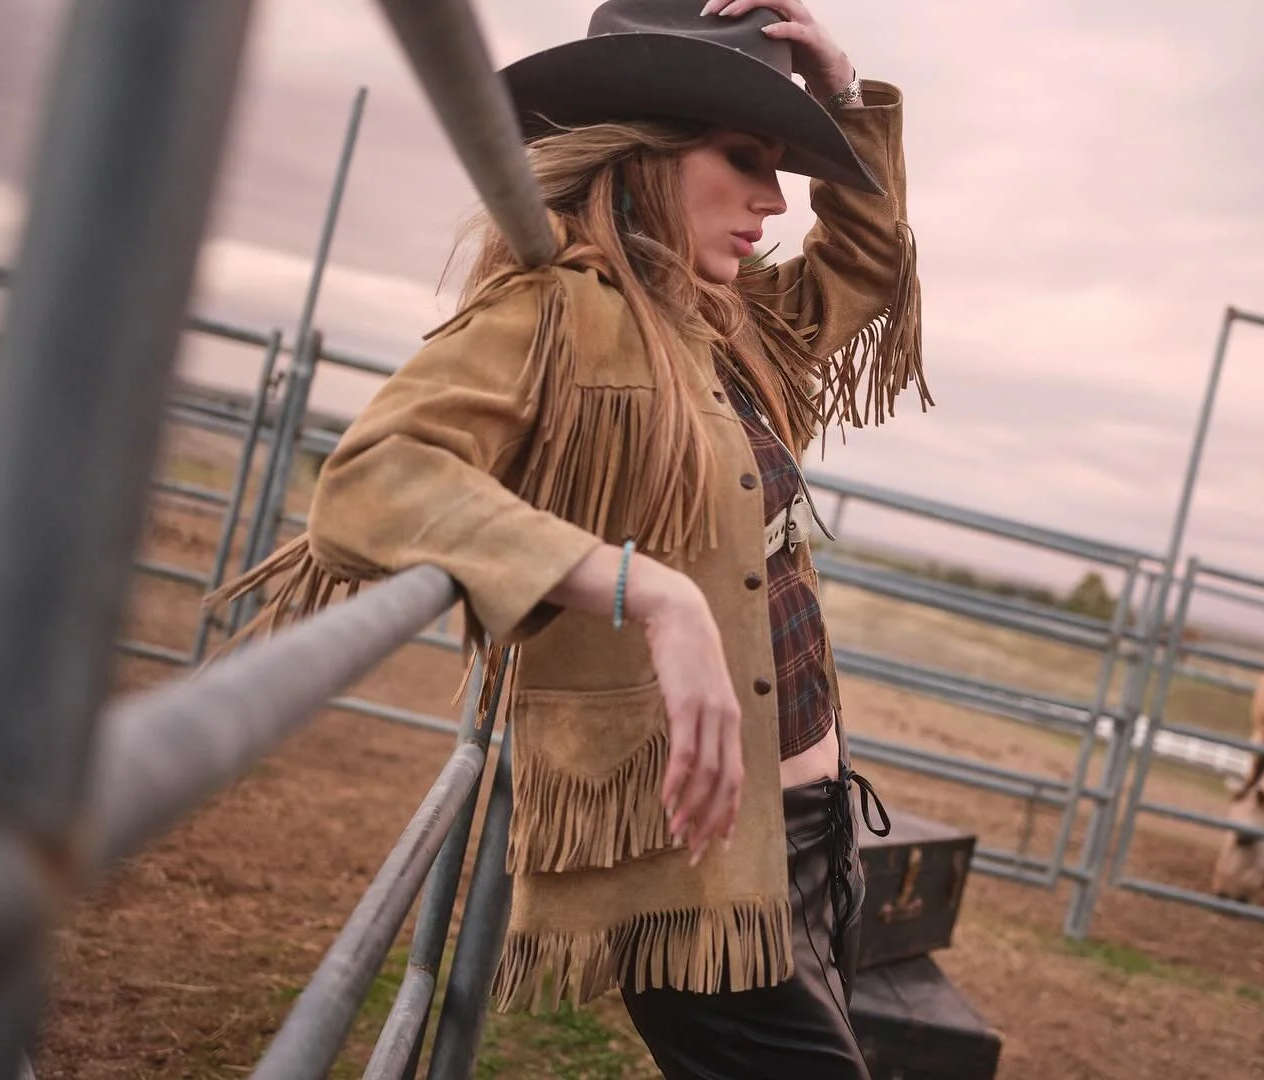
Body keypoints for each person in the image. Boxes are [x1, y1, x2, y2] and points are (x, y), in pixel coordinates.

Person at [220, 1, 929, 1075]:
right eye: (744, 158)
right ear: (645, 153)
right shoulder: (552, 313)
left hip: (808, 829)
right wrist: (650, 591)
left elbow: (865, 265)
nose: (776, 199)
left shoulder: (725, 324)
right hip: (699, 858)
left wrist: (843, 92)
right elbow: (373, 479)